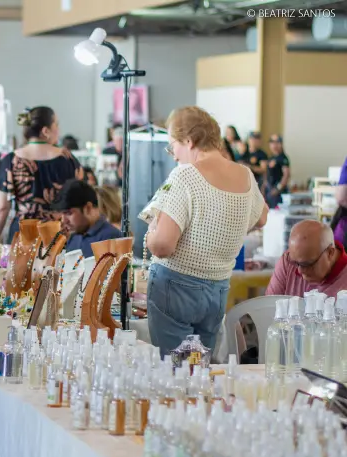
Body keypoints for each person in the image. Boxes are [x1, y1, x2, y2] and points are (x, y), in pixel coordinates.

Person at [146, 106, 268, 355]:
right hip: (218, 286)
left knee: (174, 372)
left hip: (176, 284)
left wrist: (151, 233)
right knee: (202, 370)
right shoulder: (244, 174)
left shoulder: (185, 176)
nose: (173, 155)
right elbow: (262, 216)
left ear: (189, 141)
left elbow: (163, 246)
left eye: (173, 146)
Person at [0, 106, 79, 243]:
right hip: (57, 235)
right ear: (45, 131)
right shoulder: (67, 159)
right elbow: (80, 200)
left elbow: (2, 207)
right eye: (57, 124)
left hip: (23, 235)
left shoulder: (11, 160)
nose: (59, 130)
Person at [266, 220, 347, 298]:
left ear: (330, 252)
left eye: (306, 264)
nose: (299, 271)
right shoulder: (287, 261)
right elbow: (268, 307)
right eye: (295, 262)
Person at [53, 179, 122, 257]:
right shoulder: (75, 236)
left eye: (69, 213)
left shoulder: (110, 237)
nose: (64, 220)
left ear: (88, 208)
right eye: (62, 215)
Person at [264, 134, 291, 208]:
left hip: (278, 193)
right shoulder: (271, 158)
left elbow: (286, 175)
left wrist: (277, 188)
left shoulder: (283, 158)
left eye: (277, 142)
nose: (274, 145)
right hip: (269, 190)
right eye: (272, 142)